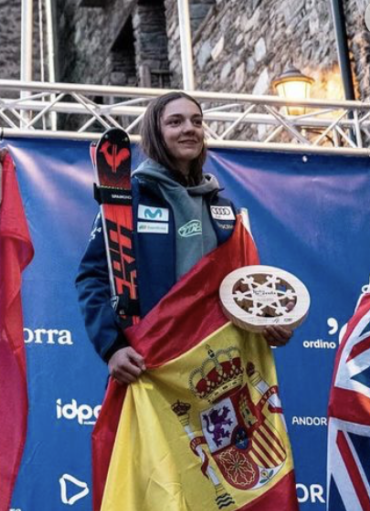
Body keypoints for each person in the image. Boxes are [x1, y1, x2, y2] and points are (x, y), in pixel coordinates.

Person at [76, 91, 291, 382]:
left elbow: (244, 285)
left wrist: (267, 319)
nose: (189, 128)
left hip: (221, 364)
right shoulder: (128, 197)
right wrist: (112, 347)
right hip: (151, 361)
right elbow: (92, 277)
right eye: (175, 122)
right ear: (156, 132)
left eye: (196, 121)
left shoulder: (221, 208)